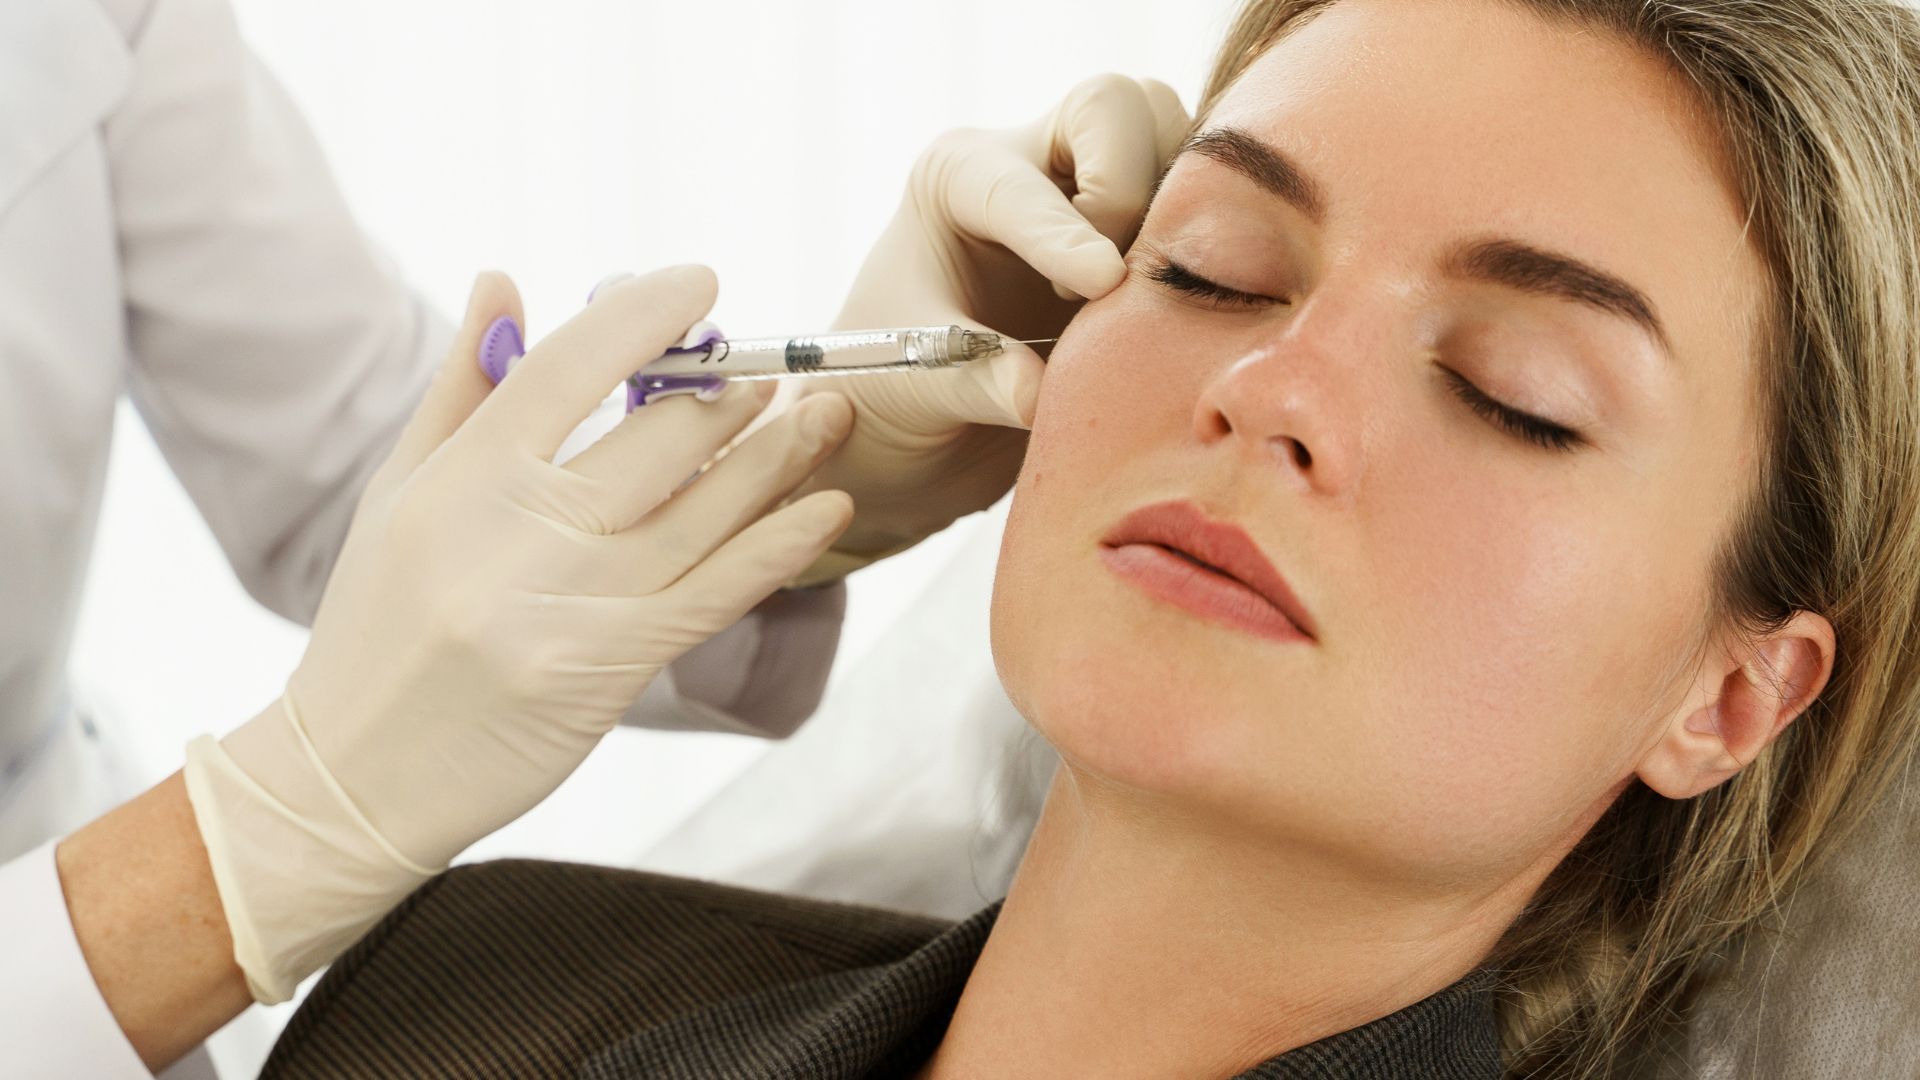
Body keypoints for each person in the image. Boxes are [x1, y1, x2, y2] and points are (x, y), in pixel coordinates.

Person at [259, 0, 1920, 1076]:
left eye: (1517, 394)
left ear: (1731, 698)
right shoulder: (478, 991)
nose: (1273, 388)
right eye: (1208, 266)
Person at [0, 0, 1187, 1072]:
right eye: (1224, 272)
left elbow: (355, 465)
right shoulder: (473, 1001)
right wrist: (244, 850)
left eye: (1209, 270)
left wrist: (817, 477)